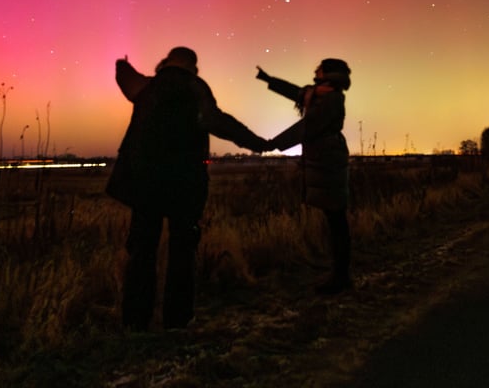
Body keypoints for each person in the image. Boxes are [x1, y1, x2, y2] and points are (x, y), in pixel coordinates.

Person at [107, 47, 268, 330]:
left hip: (145, 184)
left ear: (168, 61)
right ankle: (178, 319)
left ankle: (135, 321)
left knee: (142, 250)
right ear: (193, 66)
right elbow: (218, 121)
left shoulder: (147, 87)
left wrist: (122, 63)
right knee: (182, 251)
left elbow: (125, 78)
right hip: (185, 185)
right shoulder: (195, 87)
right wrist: (257, 143)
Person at [256, 59, 353, 294]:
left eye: (319, 68)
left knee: (336, 219)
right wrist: (269, 80)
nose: (315, 70)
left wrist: (272, 144)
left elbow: (308, 126)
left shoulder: (331, 99)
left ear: (328, 73)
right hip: (324, 158)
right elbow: (296, 92)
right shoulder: (318, 94)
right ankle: (340, 274)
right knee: (335, 218)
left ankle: (341, 277)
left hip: (328, 160)